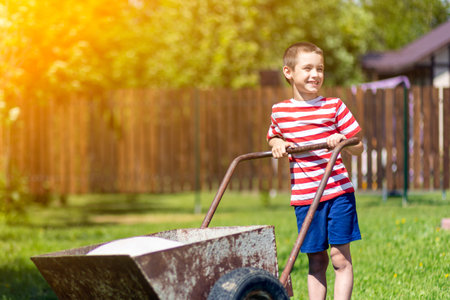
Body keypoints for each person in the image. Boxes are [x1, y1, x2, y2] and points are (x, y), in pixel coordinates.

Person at [267, 42, 364, 300]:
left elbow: (359, 146)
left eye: (319, 69)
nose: (315, 74)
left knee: (339, 258)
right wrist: (277, 144)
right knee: (316, 260)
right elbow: (273, 137)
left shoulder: (334, 106)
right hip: (306, 198)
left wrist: (342, 140)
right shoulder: (280, 111)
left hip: (338, 193)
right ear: (288, 72)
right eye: (307, 68)